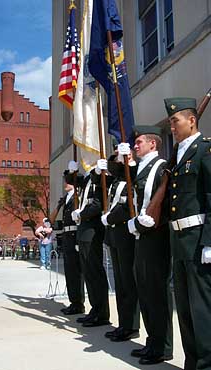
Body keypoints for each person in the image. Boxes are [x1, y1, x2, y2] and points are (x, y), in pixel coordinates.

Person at [163, 97, 211, 370]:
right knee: (184, 309)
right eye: (170, 122)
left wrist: (209, 242)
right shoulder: (178, 154)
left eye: (174, 121)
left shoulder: (205, 150)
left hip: (197, 240)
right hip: (178, 241)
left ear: (191, 120)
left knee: (202, 309)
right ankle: (192, 363)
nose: (171, 126)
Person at [127, 126, 173, 365]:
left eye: (139, 142)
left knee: (157, 292)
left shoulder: (161, 166)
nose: (136, 145)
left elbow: (165, 202)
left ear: (153, 144)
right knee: (144, 291)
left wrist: (147, 223)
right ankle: (153, 341)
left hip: (156, 236)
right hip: (142, 235)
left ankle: (163, 347)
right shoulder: (141, 168)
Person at [97, 148, 140, 342]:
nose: (115, 162)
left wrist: (109, 218)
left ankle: (131, 326)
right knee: (120, 283)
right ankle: (123, 324)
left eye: (118, 157)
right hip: (114, 234)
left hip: (125, 234)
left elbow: (127, 206)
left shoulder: (133, 175)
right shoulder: (116, 181)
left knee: (128, 282)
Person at [68, 160, 110, 327]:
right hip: (84, 229)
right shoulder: (87, 178)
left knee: (94, 272)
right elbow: (71, 181)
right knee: (88, 273)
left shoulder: (98, 178)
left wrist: (81, 214)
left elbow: (99, 204)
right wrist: (72, 172)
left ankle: (101, 313)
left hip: (92, 228)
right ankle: (95, 309)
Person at [60, 171, 85, 315]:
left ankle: (78, 303)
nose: (65, 183)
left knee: (76, 272)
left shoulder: (77, 196)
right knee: (69, 271)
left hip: (74, 235)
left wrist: (76, 241)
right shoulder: (67, 198)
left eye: (68, 181)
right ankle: (73, 301)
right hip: (66, 235)